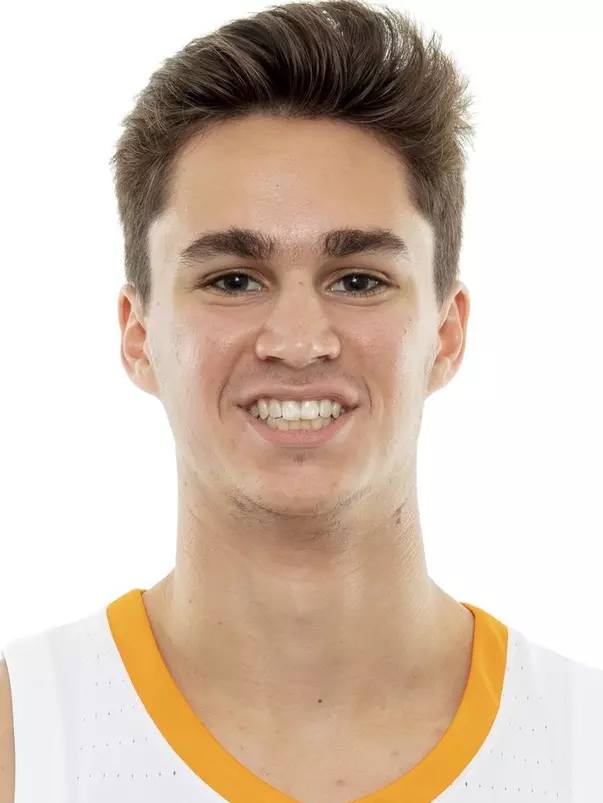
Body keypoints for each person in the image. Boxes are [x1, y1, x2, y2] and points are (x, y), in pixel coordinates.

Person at [2, 0, 602, 800]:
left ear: (446, 331)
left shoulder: (583, 744)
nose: (296, 340)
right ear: (138, 335)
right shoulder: (22, 739)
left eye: (357, 279)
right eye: (232, 279)